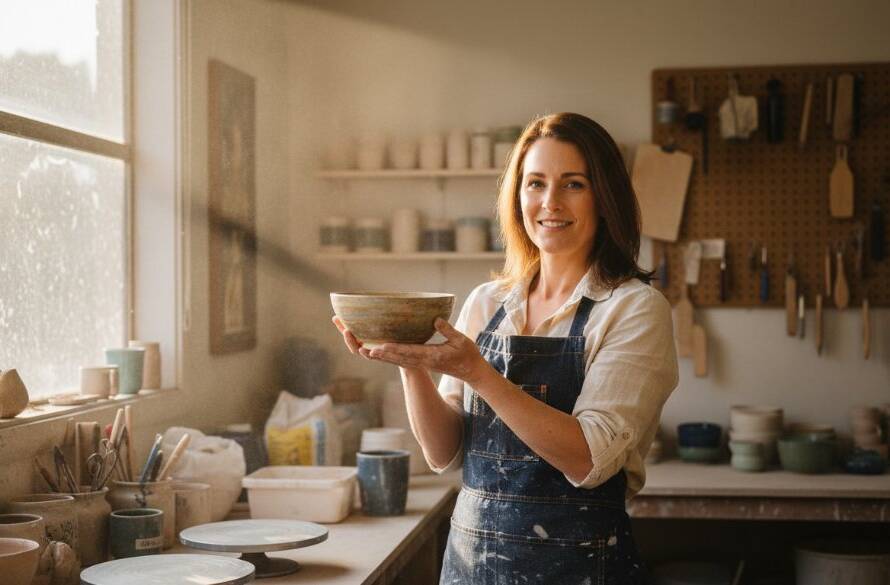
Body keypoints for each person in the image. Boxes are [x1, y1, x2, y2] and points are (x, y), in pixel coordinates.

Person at [333, 112, 678, 584]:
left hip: (579, 570)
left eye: (573, 184)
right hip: (471, 567)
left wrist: (479, 374)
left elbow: (589, 459)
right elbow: (444, 452)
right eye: (535, 183)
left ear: (605, 197)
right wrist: (408, 361)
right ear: (517, 196)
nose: (550, 202)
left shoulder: (633, 308)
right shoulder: (488, 301)